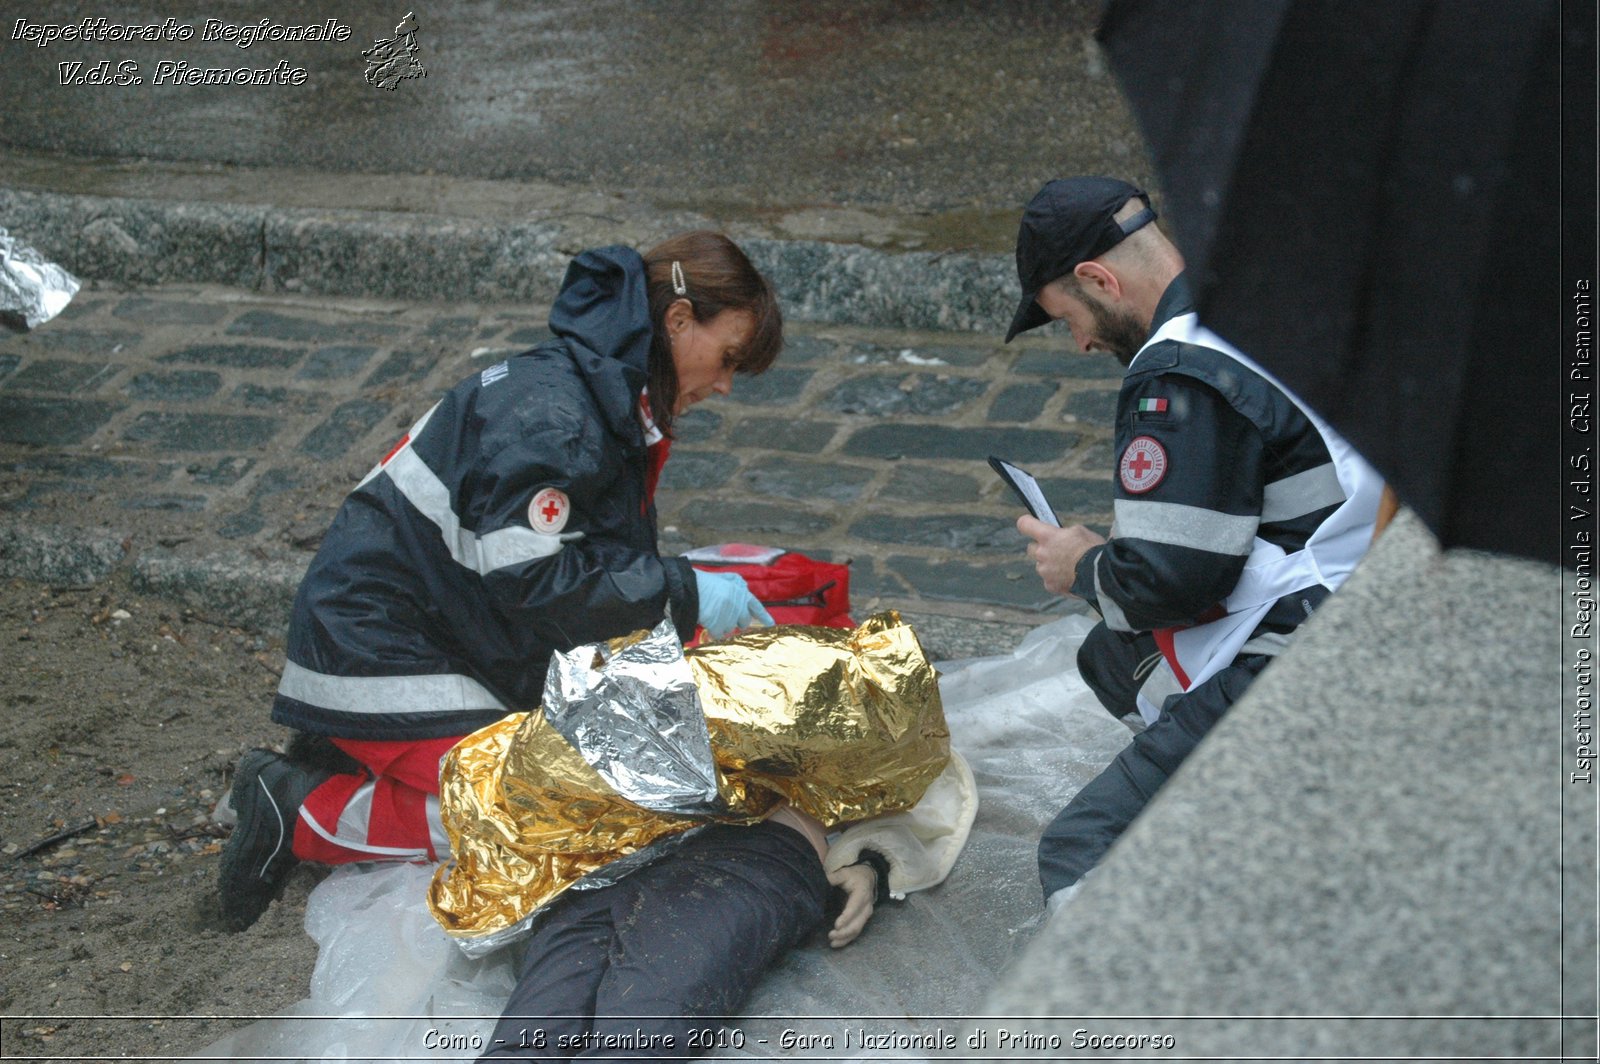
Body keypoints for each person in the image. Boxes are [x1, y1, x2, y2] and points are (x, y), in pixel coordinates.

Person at [217, 231, 782, 932]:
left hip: (420, 637)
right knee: (548, 821)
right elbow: (538, 579)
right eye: (726, 359)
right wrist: (685, 592)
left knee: (590, 794)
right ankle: (299, 811)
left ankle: (364, 772)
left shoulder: (586, 397)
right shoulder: (563, 415)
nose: (724, 384)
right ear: (676, 321)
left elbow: (565, 569)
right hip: (377, 653)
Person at [1002, 177, 1383, 907]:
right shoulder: (1260, 303)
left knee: (1082, 851)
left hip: (1309, 650)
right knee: (1112, 658)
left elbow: (1171, 580)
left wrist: (1081, 564)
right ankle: (1230, 790)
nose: (1080, 343)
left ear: (1098, 279)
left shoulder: (1178, 374)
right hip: (1365, 591)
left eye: (1069, 318)